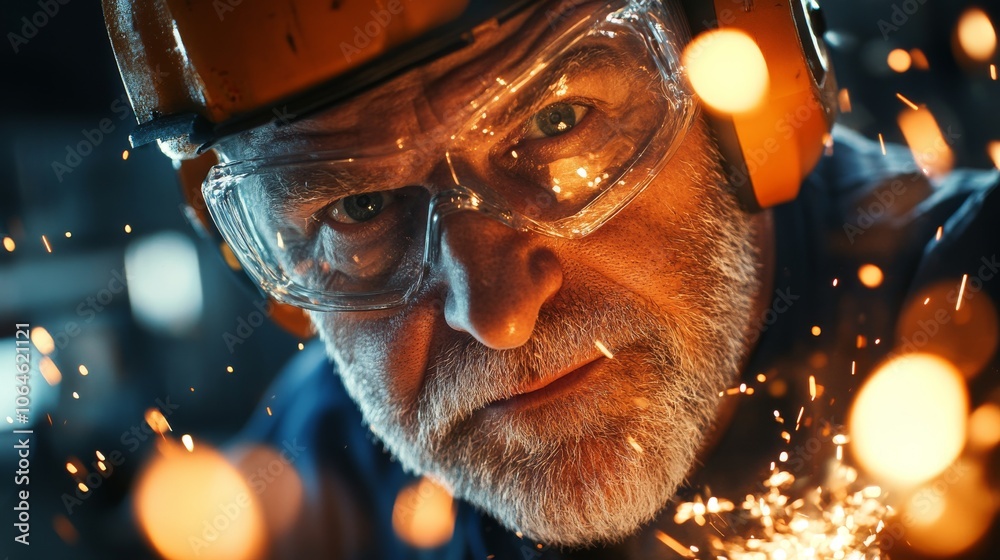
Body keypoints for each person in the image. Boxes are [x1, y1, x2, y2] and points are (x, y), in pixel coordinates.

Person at [103, 0, 1000, 558]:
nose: (496, 316)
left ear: (753, 92)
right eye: (359, 207)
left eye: (559, 121)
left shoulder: (975, 315)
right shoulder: (317, 466)